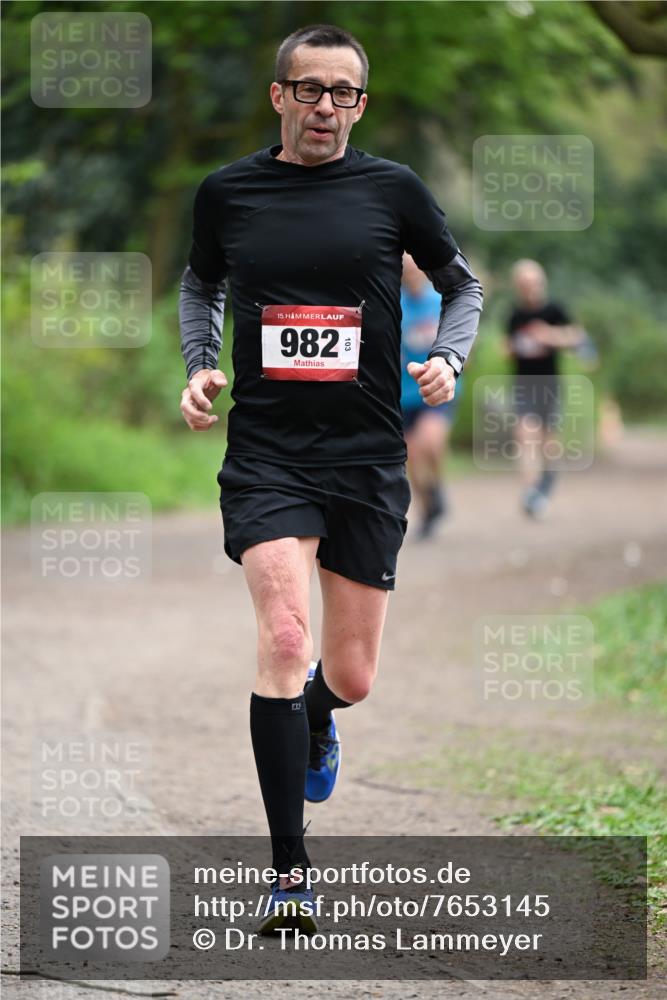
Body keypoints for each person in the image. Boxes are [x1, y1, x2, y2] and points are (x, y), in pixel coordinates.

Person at [178, 23, 483, 934]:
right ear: (279, 96)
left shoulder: (393, 191)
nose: (324, 107)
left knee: (349, 674)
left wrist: (451, 360)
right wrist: (199, 362)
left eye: (342, 92)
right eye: (307, 89)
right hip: (268, 451)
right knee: (281, 635)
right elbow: (201, 285)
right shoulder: (228, 191)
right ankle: (288, 875)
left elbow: (463, 286)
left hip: (365, 455)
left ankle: (318, 713)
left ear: (360, 103)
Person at [505, 259, 583, 519]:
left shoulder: (555, 310)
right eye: (524, 284)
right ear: (517, 286)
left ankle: (546, 485)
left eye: (533, 282)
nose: (529, 288)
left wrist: (548, 335)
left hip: (549, 384)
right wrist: (513, 347)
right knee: (525, 436)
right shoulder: (515, 315)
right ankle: (530, 493)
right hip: (523, 384)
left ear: (542, 283)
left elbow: (577, 337)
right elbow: (507, 348)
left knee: (549, 444)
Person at [401, 253, 464, 539]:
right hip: (403, 393)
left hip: (435, 390)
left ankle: (437, 487)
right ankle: (428, 508)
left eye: (414, 265)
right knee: (412, 456)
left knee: (431, 441)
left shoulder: (439, 301)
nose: (410, 270)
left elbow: (460, 338)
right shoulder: (393, 303)